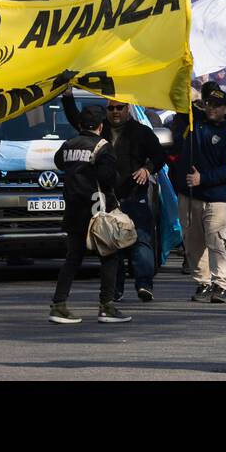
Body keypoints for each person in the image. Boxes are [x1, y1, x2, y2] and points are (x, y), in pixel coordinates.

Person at [62, 94, 164, 301]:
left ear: (128, 109)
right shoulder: (100, 131)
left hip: (135, 196)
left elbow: (160, 156)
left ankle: (144, 285)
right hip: (107, 199)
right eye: (111, 108)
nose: (115, 112)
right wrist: (67, 96)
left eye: (120, 107)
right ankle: (114, 290)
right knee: (111, 244)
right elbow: (76, 120)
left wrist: (147, 169)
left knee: (141, 241)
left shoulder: (142, 132)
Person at [48, 105, 130, 324]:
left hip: (73, 211)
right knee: (110, 256)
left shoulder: (68, 145)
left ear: (81, 125)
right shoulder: (103, 147)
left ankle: (59, 305)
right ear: (101, 126)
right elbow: (108, 178)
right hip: (97, 212)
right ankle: (107, 306)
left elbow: (59, 163)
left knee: (73, 258)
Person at [176, 81, 226, 303]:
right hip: (189, 195)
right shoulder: (194, 123)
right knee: (193, 243)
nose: (212, 108)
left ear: (225, 108)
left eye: (217, 105)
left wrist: (203, 178)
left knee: (216, 241)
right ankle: (202, 283)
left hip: (215, 198)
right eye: (208, 104)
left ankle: (220, 283)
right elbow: (178, 99)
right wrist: (183, 72)